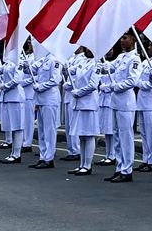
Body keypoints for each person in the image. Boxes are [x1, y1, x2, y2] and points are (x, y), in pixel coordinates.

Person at [104, 31, 141, 183]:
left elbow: (132, 81)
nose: (122, 40)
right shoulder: (121, 57)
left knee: (126, 137)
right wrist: (101, 58)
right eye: (121, 37)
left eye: (125, 38)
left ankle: (127, 170)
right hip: (116, 102)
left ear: (133, 39)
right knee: (117, 136)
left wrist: (115, 86)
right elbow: (109, 68)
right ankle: (119, 167)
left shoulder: (135, 59)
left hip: (126, 102)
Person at [67, 47, 100, 176]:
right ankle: (81, 164)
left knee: (89, 134)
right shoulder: (83, 62)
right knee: (81, 135)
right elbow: (73, 76)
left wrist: (79, 92)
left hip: (88, 103)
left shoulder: (97, 63)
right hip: (79, 103)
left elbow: (93, 84)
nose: (87, 50)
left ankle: (87, 165)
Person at [28, 50, 62, 169]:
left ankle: (49, 158)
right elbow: (30, 72)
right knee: (41, 130)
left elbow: (55, 80)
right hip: (40, 99)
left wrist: (41, 86)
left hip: (49, 99)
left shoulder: (55, 60)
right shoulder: (42, 60)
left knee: (49, 130)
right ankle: (43, 156)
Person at [135, 42, 152, 174]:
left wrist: (141, 84)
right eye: (149, 45)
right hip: (141, 100)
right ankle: (146, 159)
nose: (149, 48)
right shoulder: (145, 61)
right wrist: (141, 83)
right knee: (144, 133)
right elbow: (136, 79)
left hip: (151, 101)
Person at [0, 54, 25, 163]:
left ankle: (17, 154)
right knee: (12, 127)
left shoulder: (19, 60)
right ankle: (13, 153)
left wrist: (6, 86)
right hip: (8, 97)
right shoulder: (8, 62)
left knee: (17, 127)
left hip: (16, 97)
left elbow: (17, 79)